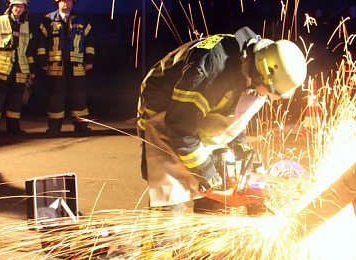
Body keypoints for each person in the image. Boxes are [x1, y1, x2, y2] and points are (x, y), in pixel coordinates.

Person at [137, 26, 307, 213]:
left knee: (218, 194)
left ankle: (206, 225)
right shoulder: (211, 73)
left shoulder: (250, 64)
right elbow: (179, 129)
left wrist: (239, 145)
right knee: (172, 200)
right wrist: (208, 175)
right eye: (272, 91)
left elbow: (231, 111)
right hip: (166, 111)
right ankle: (163, 236)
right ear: (262, 74)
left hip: (193, 114)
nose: (271, 98)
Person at [34, 0, 95, 135]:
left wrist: (89, 60)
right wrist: (42, 61)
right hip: (55, 65)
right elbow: (41, 42)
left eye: (69, 1)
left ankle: (81, 127)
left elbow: (90, 41)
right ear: (57, 3)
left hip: (77, 66)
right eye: (63, 1)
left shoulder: (82, 20)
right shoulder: (47, 20)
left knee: (79, 97)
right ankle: (54, 128)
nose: (66, 4)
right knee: (55, 96)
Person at [0, 0, 34, 136]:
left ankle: (14, 129)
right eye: (16, 6)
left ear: (25, 8)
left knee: (16, 101)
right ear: (10, 7)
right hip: (1, 68)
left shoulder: (27, 25)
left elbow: (29, 50)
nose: (18, 9)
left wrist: (31, 69)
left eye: (21, 6)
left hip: (20, 69)